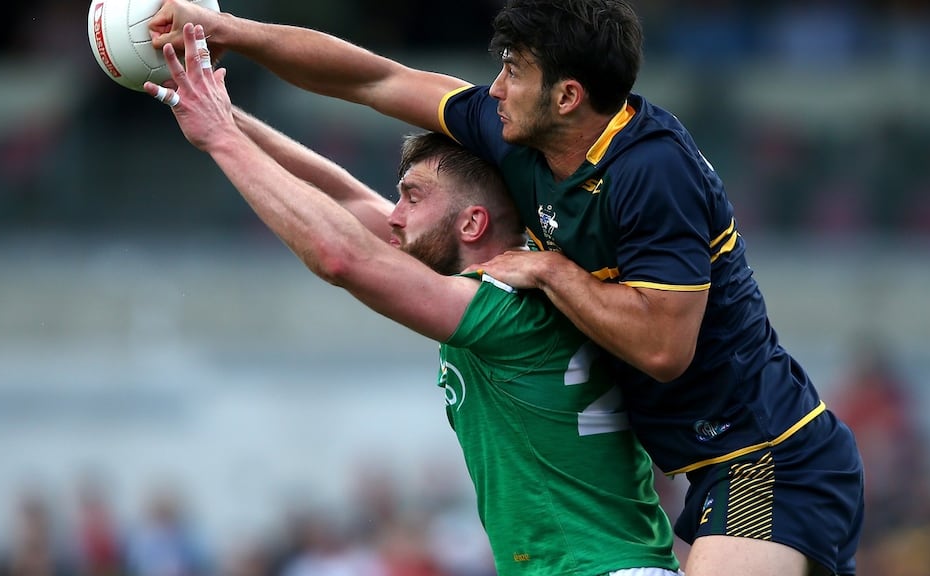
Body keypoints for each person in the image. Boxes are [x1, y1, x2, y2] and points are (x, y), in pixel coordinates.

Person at [148, 2, 866, 575]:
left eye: (513, 71)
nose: (494, 89)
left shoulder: (652, 174)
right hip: (694, 476)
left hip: (765, 455)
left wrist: (551, 267)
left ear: (568, 95)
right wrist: (228, 36)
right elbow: (371, 81)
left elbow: (665, 350)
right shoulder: (516, 138)